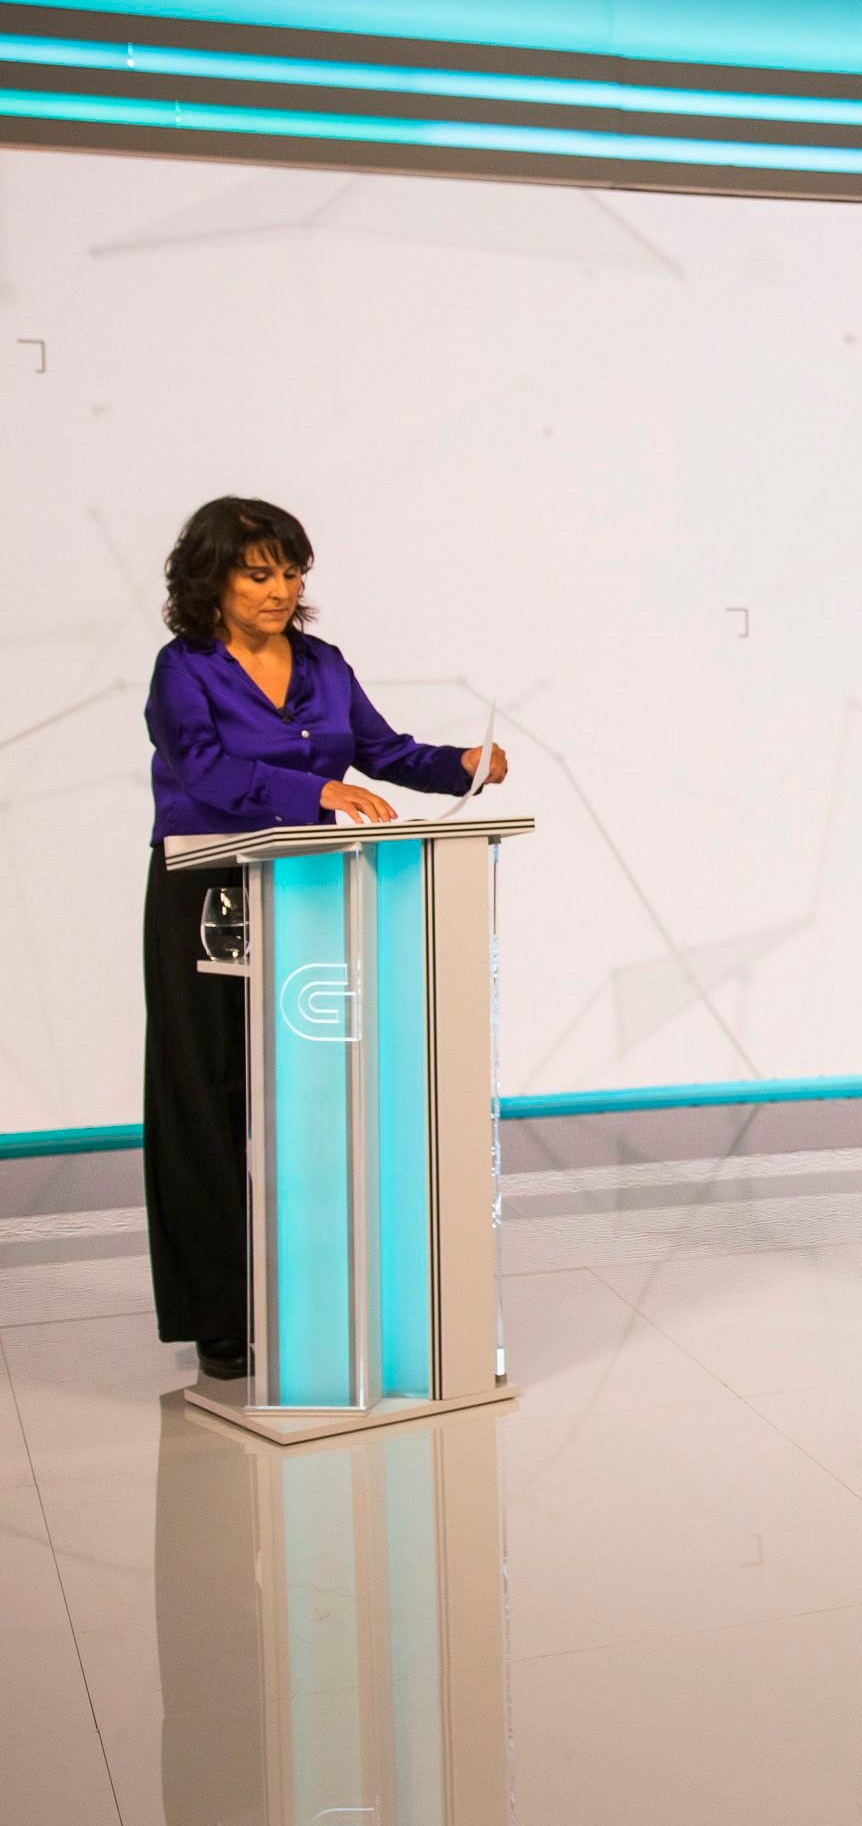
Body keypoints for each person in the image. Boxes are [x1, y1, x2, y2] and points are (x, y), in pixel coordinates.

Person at [143, 497, 505, 1381]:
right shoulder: (184, 667)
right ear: (212, 579)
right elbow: (204, 768)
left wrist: (459, 763)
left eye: (291, 572)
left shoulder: (324, 664)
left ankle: (311, 1292)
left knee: (309, 1093)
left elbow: (381, 751)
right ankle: (220, 1314)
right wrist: (314, 794)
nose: (280, 589)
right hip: (209, 890)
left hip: (315, 891)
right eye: (258, 572)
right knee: (209, 1089)